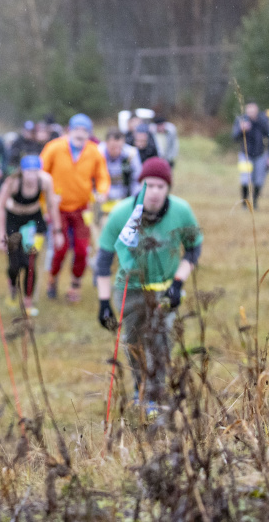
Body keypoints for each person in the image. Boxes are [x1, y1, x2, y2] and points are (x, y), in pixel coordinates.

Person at [95, 158, 201, 411]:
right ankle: (138, 387)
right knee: (133, 341)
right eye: (149, 185)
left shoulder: (181, 211)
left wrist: (178, 283)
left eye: (160, 186)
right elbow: (103, 261)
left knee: (161, 341)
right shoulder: (121, 214)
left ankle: (155, 395)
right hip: (130, 288)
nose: (154, 192)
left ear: (168, 189)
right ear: (140, 185)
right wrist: (103, 302)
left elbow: (194, 248)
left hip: (165, 288)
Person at [41, 113, 110, 302]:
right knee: (60, 248)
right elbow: (41, 173)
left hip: (82, 208)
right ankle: (52, 278)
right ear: (69, 130)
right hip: (58, 207)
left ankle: (75, 285)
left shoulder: (94, 151)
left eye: (84, 130)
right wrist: (45, 203)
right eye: (77, 129)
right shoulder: (54, 147)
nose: (80, 133)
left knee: (81, 250)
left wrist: (102, 191)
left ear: (89, 133)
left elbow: (102, 176)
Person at [0, 155, 61, 315]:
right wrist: (0, 234)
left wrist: (57, 231)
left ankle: (28, 302)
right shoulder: (13, 181)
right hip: (14, 220)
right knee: (14, 264)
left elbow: (52, 204)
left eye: (35, 172)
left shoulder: (45, 180)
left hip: (34, 221)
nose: (32, 176)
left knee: (30, 262)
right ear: (22, 171)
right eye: (28, 172)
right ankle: (12, 287)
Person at [98, 129, 142, 225]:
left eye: (120, 147)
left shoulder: (131, 154)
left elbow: (137, 179)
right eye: (113, 147)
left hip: (124, 196)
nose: (117, 150)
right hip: (102, 197)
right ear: (106, 143)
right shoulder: (97, 153)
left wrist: (134, 199)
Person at [233, 101, 269, 209]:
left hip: (260, 155)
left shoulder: (263, 120)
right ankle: (245, 203)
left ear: (257, 109)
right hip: (245, 155)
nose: (251, 112)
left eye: (253, 109)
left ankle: (255, 202)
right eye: (249, 109)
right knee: (245, 179)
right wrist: (241, 129)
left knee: (259, 180)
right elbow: (234, 137)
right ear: (246, 109)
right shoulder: (241, 120)